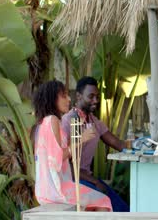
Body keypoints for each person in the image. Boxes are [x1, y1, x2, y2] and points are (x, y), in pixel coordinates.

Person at [33, 80, 112, 211]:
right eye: (64, 96)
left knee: (95, 204)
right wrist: (81, 139)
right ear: (52, 98)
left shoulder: (45, 122)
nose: (69, 99)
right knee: (103, 201)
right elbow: (57, 159)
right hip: (56, 190)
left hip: (45, 189)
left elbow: (57, 153)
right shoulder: (52, 120)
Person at [61, 77, 129, 212]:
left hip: (87, 177)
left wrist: (141, 144)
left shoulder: (94, 121)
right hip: (73, 180)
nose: (96, 101)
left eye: (97, 97)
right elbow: (68, 165)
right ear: (79, 96)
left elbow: (117, 143)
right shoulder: (68, 121)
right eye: (91, 96)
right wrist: (95, 181)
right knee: (109, 206)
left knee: (123, 209)